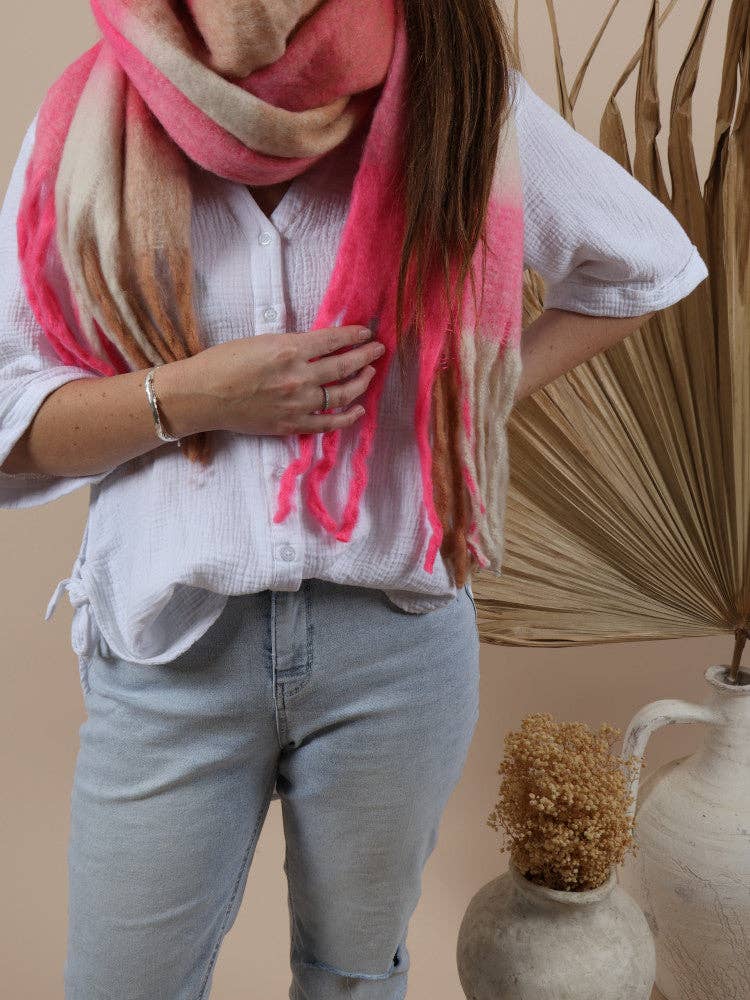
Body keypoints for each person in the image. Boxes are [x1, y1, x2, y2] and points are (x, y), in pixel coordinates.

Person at [0, 1, 707, 998]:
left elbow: (646, 265)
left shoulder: (457, 101)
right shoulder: (92, 122)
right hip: (171, 653)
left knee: (354, 981)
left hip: (395, 646)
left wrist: (462, 394)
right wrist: (202, 393)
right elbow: (8, 420)